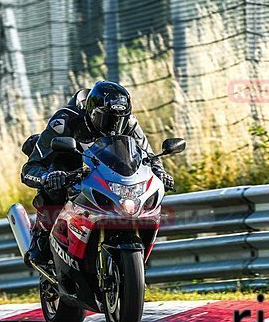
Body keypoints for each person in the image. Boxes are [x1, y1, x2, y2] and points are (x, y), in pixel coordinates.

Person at [20, 80, 175, 266]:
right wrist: (47, 177)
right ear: (92, 112)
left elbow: (149, 156)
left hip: (105, 172)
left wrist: (160, 173)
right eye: (108, 118)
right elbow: (31, 166)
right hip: (71, 167)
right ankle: (42, 235)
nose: (114, 124)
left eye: (120, 119)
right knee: (56, 173)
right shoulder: (65, 120)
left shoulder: (129, 123)